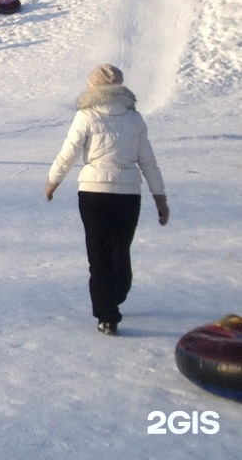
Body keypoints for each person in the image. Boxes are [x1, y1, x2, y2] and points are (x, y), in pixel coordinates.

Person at [44, 65, 169, 335]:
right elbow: (148, 161)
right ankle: (116, 294)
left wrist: (53, 181)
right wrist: (159, 197)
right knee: (120, 250)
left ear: (94, 89)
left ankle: (106, 315)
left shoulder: (85, 116)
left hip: (93, 193)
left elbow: (69, 153)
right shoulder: (134, 119)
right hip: (128, 195)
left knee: (99, 253)